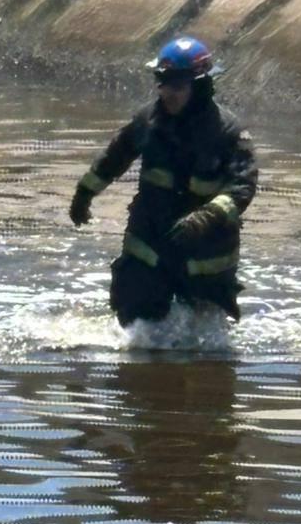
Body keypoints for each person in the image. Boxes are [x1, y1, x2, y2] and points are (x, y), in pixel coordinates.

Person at [68, 37, 257, 326]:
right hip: (149, 241)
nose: (167, 93)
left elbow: (242, 187)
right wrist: (85, 193)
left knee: (204, 342)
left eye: (177, 86)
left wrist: (205, 218)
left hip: (205, 251)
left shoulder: (228, 132)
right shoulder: (148, 121)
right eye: (162, 83)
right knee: (135, 328)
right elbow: (114, 158)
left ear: (200, 87)